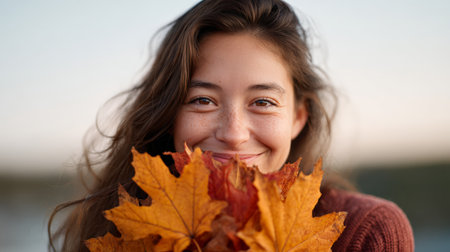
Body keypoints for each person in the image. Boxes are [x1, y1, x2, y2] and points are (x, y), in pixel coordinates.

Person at [48, 0, 414, 251]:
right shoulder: (126, 228)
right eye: (203, 100)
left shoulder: (366, 232)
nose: (234, 133)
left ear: (298, 117)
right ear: (169, 112)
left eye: (263, 103)